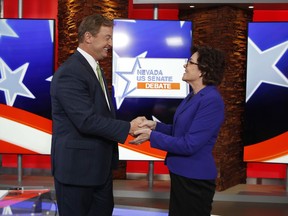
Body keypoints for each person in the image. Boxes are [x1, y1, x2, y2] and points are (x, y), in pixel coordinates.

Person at [50, 14, 144, 216]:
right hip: (77, 172)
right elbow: (86, 120)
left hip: (98, 170)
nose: (110, 43)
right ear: (88, 37)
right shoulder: (71, 72)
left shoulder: (94, 69)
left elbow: (102, 115)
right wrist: (128, 127)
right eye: (107, 37)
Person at [130, 45, 226, 216]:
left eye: (190, 62)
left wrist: (151, 136)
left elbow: (189, 144)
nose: (185, 65)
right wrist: (155, 126)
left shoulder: (212, 100)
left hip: (195, 179)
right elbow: (181, 131)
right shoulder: (193, 96)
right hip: (182, 174)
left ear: (202, 71)